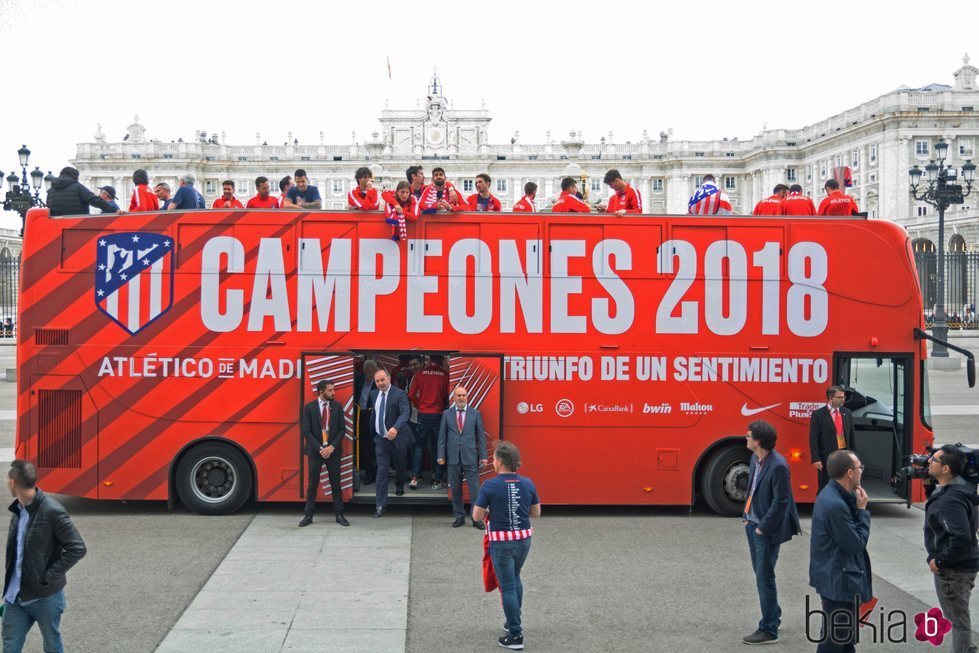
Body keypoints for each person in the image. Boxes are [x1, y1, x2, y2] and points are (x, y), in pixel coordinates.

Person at [2, 459, 87, 653]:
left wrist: (48, 576)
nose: (7, 482)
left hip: (46, 597)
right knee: (9, 648)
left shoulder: (52, 511)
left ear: (13, 482)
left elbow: (77, 548)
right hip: (15, 598)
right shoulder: (18, 509)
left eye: (8, 479)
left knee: (52, 647)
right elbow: (17, 553)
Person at [473, 442, 540, 651]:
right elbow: (536, 513)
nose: (492, 462)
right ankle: (513, 621)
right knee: (515, 579)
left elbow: (476, 515)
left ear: (500, 462)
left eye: (493, 459)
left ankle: (515, 633)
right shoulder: (528, 483)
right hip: (523, 539)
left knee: (508, 586)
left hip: (501, 542)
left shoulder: (490, 486)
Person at [741, 420, 801, 645]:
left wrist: (761, 528)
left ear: (757, 441)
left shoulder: (778, 466)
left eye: (748, 436)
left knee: (764, 579)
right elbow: (753, 489)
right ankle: (773, 615)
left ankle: (769, 629)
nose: (745, 439)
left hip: (765, 530)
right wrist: (746, 517)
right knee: (761, 574)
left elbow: (782, 501)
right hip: (752, 523)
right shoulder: (755, 458)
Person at [809, 449, 872, 653]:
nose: (862, 470)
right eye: (859, 467)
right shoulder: (835, 505)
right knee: (834, 641)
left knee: (844, 640)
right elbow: (855, 544)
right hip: (839, 581)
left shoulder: (835, 494)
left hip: (837, 577)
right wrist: (862, 512)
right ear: (850, 473)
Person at [924, 445, 979, 653]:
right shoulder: (962, 490)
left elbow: (961, 538)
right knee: (959, 617)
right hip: (963, 567)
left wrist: (939, 561)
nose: (929, 462)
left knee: (958, 622)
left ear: (946, 469)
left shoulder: (949, 500)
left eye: (934, 460)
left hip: (952, 571)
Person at [437, 386, 488, 530]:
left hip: (470, 457)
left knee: (475, 490)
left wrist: (483, 456)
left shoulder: (475, 414)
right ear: (454, 398)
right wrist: (440, 455)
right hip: (453, 457)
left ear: (467, 397)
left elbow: (481, 437)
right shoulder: (447, 414)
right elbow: (442, 437)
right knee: (456, 489)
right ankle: (459, 517)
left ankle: (476, 518)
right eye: (458, 395)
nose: (461, 398)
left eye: (463, 395)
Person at [299, 380, 348, 527]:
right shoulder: (309, 408)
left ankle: (339, 515)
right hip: (316, 452)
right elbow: (306, 430)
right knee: (312, 485)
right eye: (331, 390)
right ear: (321, 392)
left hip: (333, 451)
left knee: (336, 484)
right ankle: (308, 516)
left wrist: (331, 447)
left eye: (334, 390)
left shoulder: (337, 407)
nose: (334, 393)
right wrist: (320, 448)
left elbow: (342, 429)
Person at [369, 369, 414, 517]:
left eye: (383, 380)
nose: (380, 383)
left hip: (398, 438)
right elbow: (375, 414)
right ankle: (380, 505)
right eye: (377, 381)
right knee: (381, 471)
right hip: (381, 440)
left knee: (400, 466)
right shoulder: (374, 394)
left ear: (389, 378)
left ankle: (399, 484)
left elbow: (405, 412)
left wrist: (395, 427)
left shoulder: (399, 394)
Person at [409, 354, 450, 490]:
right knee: (438, 447)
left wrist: (419, 404)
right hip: (438, 415)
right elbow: (448, 397)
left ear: (430, 360)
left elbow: (410, 394)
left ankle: (414, 478)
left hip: (422, 415)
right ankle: (436, 480)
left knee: (419, 447)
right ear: (441, 360)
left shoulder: (420, 374)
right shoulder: (445, 375)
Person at [809, 386, 855, 491]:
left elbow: (851, 436)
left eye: (844, 397)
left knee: (844, 486)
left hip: (844, 455)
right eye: (840, 397)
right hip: (827, 458)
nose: (843, 399)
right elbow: (813, 438)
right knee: (825, 486)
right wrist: (816, 459)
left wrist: (853, 456)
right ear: (830, 398)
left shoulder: (847, 413)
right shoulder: (818, 414)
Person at [45, 167, 120, 216]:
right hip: (77, 225)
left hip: (57, 226)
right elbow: (94, 200)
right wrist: (113, 211)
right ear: (74, 176)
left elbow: (48, 208)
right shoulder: (77, 187)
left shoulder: (50, 191)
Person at [355, 359, 379, 485]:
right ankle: (366, 471)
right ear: (364, 371)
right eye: (367, 371)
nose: (370, 373)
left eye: (372, 371)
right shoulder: (358, 379)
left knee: (372, 444)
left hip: (372, 416)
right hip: (359, 415)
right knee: (362, 445)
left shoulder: (379, 382)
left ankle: (374, 472)